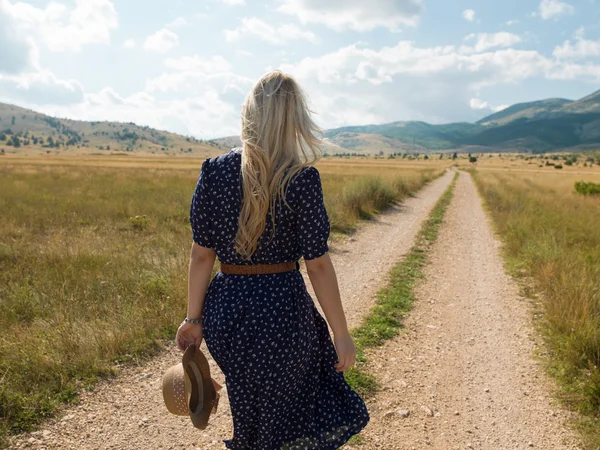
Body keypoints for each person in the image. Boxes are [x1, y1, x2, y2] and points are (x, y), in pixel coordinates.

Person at [175, 69, 370, 449]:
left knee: (248, 408)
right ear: (294, 119)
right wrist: (341, 333)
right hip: (282, 312)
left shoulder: (214, 172)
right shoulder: (302, 179)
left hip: (226, 313)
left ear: (251, 113)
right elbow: (317, 264)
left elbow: (201, 256)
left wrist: (193, 318)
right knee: (285, 418)